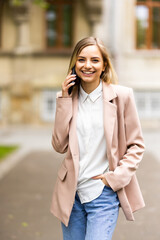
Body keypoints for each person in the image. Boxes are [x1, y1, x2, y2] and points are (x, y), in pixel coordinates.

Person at [51, 37, 145, 240]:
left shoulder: (122, 96)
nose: (87, 65)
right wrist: (64, 100)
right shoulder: (68, 98)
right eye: (81, 59)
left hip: (102, 193)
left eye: (95, 60)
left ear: (104, 66)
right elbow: (59, 145)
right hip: (72, 195)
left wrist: (116, 178)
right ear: (74, 64)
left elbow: (136, 144)